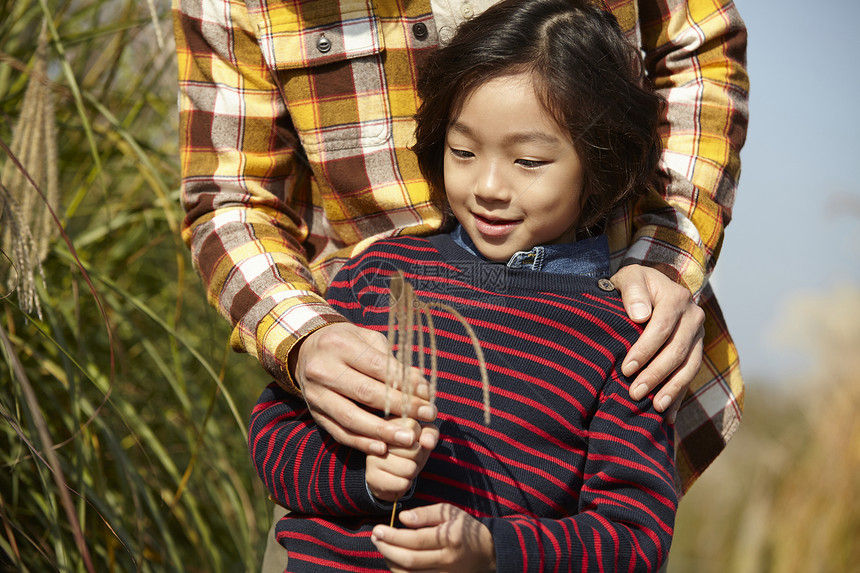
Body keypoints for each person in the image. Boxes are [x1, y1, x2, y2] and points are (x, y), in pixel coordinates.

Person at [173, 0, 747, 566]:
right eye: (464, 151)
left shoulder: (628, 338)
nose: (489, 186)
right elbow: (275, 436)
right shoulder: (377, 277)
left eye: (529, 161)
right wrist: (361, 479)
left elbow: (633, 540)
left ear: (601, 162)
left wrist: (493, 552)